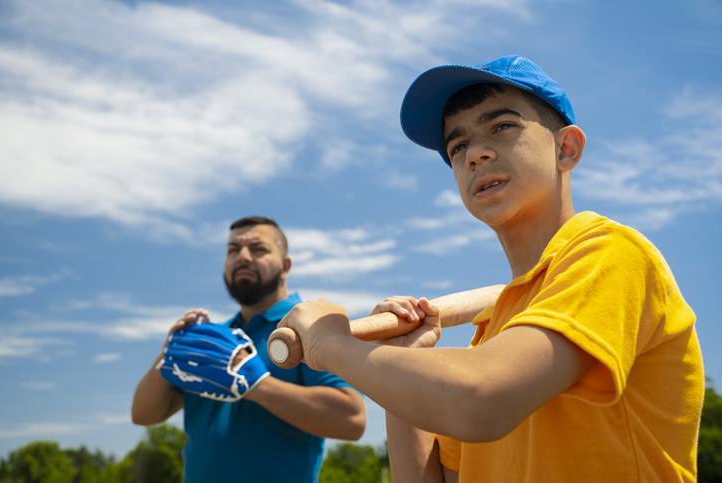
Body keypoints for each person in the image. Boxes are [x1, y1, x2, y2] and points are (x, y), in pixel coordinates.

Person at [276, 55, 705, 481]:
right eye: (457, 146)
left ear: (566, 148)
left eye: (502, 126)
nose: (476, 154)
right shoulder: (496, 334)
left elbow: (479, 401)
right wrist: (398, 358)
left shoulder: (611, 255)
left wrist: (329, 344)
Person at [131, 216, 366, 482]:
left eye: (258, 248)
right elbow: (144, 415)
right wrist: (170, 350)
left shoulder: (310, 326)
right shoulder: (214, 341)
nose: (243, 256)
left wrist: (256, 385)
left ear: (285, 266)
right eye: (233, 250)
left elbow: (352, 419)